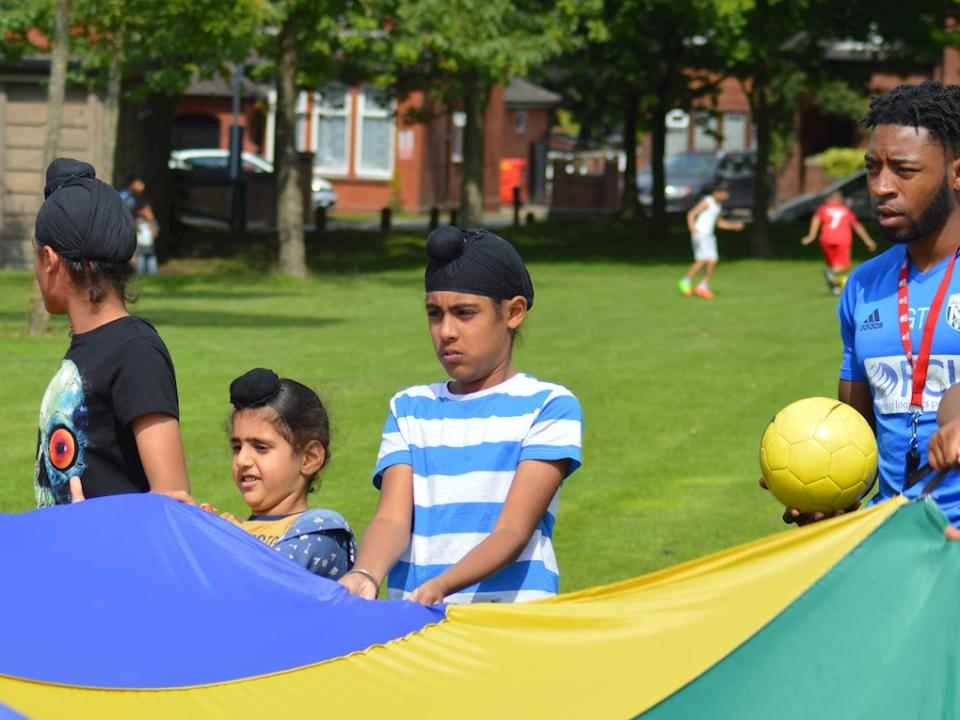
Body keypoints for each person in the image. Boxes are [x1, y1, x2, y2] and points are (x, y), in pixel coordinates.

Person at [339, 226, 584, 604]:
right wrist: (365, 572)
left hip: (508, 626)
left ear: (514, 312)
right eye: (434, 314)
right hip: (420, 623)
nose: (446, 331)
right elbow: (391, 519)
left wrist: (442, 586)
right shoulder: (409, 408)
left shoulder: (549, 407)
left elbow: (513, 531)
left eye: (464, 313)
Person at [769, 81, 960, 527]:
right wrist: (823, 487)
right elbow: (856, 435)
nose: (881, 187)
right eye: (873, 168)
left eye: (904, 170)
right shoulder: (864, 285)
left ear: (956, 173)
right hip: (888, 534)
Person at [32, 158, 189, 507]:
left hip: (106, 546)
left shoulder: (135, 352)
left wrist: (95, 526)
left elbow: (173, 502)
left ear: (49, 260)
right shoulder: (90, 347)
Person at [801, 191, 877, 294]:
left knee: (831, 264)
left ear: (829, 199)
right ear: (840, 200)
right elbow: (857, 226)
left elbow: (816, 220)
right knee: (844, 266)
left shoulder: (823, 209)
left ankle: (835, 287)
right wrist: (868, 240)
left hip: (826, 238)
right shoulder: (845, 210)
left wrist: (811, 236)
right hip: (843, 239)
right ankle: (831, 275)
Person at [678, 184, 745, 299]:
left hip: (709, 235)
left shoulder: (718, 205)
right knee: (702, 259)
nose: (727, 196)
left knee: (712, 260)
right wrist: (692, 226)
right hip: (700, 233)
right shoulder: (707, 201)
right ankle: (685, 281)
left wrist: (734, 226)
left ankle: (702, 286)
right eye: (725, 194)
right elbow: (692, 214)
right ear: (717, 192)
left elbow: (720, 223)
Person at [134, 205, 159, 276]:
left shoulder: (153, 221)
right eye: (145, 210)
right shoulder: (136, 221)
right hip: (139, 252)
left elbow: (155, 234)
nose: (147, 212)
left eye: (149, 210)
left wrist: (150, 220)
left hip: (150, 252)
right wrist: (133, 255)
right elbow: (133, 237)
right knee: (139, 274)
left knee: (152, 274)